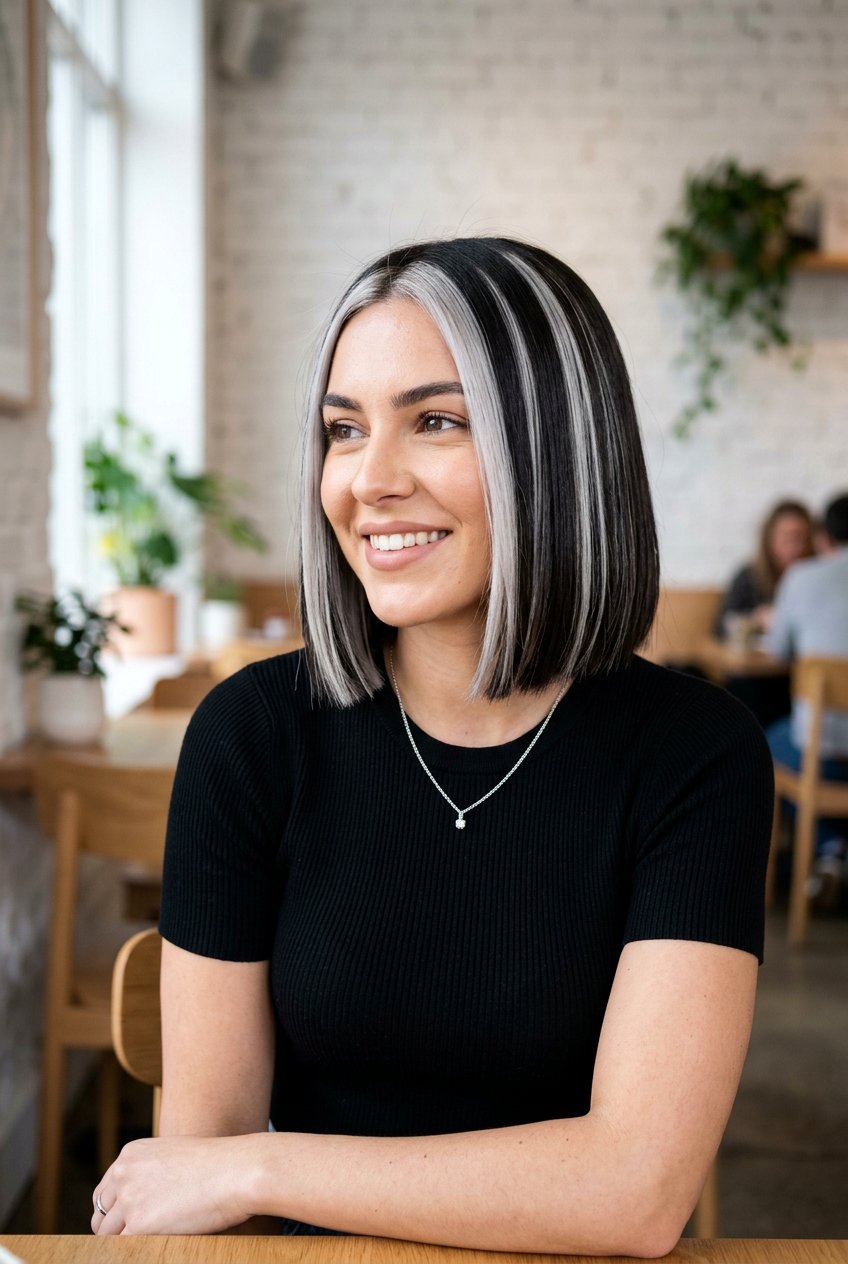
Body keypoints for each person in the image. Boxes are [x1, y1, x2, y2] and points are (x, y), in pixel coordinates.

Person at [91, 238, 773, 1253]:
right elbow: (201, 1167)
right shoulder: (251, 736)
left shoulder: (693, 755)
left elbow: (632, 1195)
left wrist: (267, 1163)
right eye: (342, 429)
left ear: (555, 450)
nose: (368, 480)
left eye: (436, 421)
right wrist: (236, 1164)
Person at [764, 493, 848, 897]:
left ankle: (830, 848)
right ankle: (833, 849)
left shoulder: (802, 577)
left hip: (824, 752)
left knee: (768, 745)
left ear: (824, 536)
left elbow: (778, 650)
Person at [715, 499, 815, 641]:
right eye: (788, 538)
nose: (796, 547)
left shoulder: (820, 578)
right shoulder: (749, 577)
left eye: (802, 539)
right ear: (769, 539)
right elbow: (721, 628)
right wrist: (755, 620)